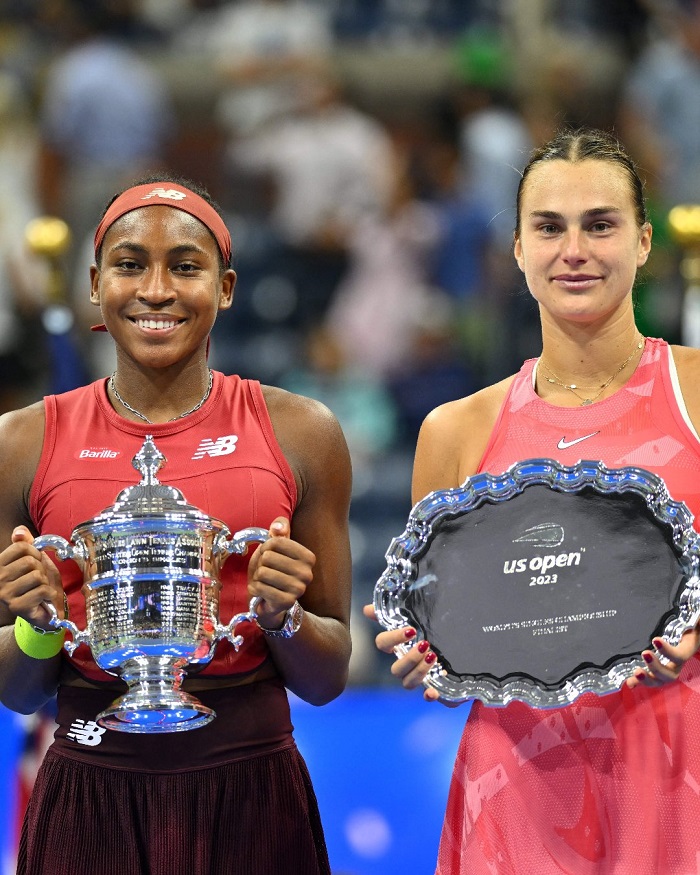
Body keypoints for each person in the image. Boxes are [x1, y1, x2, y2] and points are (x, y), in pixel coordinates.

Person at [364, 128, 700, 873]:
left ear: (644, 241)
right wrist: (430, 653)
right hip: (518, 791)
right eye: (548, 227)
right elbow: (448, 625)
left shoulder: (697, 390)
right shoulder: (454, 430)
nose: (573, 249)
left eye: (600, 224)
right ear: (517, 249)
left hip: (678, 775)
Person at [0, 176, 352, 875]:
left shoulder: (302, 432)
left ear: (224, 287)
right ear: (96, 284)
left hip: (254, 797)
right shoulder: (20, 442)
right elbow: (20, 690)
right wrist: (38, 620)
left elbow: (327, 676)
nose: (156, 289)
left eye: (185, 267)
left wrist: (283, 618)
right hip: (87, 795)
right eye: (130, 265)